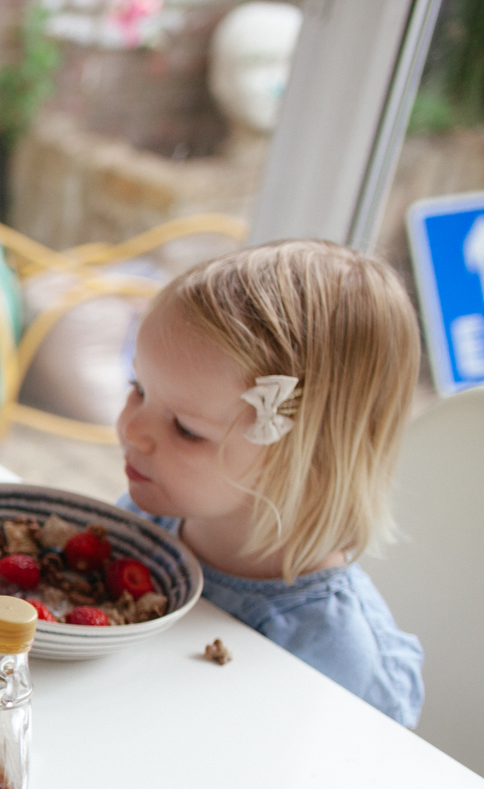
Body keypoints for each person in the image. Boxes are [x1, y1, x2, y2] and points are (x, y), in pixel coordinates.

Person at [116, 239, 424, 725]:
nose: (131, 428)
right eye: (138, 389)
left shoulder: (339, 655)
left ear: (307, 461)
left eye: (186, 429)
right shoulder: (144, 522)